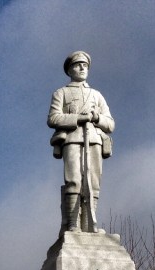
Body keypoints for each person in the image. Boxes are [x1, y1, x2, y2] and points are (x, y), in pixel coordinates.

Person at [48, 51, 114, 232]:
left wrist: (96, 117)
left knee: (93, 183)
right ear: (70, 70)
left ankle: (88, 224)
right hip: (72, 139)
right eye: (78, 65)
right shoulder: (61, 93)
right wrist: (78, 118)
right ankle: (73, 224)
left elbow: (110, 123)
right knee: (74, 181)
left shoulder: (97, 95)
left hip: (94, 140)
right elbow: (53, 118)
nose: (82, 68)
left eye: (85, 65)